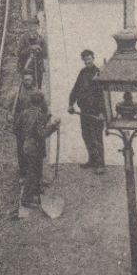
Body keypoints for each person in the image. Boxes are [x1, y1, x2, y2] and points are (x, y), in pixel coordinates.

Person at [13, 74, 58, 215]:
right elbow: (41, 134)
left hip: (26, 146)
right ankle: (26, 199)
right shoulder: (38, 115)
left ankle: (36, 191)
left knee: (36, 171)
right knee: (32, 173)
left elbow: (16, 127)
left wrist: (25, 137)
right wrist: (53, 127)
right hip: (35, 148)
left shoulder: (25, 112)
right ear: (40, 102)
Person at [67, 49, 106, 172]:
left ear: (93, 59)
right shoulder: (82, 73)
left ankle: (100, 165)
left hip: (96, 113)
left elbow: (103, 95)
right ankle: (92, 160)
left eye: (89, 59)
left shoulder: (99, 73)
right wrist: (71, 104)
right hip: (84, 111)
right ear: (83, 60)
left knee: (97, 138)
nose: (87, 61)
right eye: (85, 60)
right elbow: (76, 89)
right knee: (87, 136)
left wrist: (102, 113)